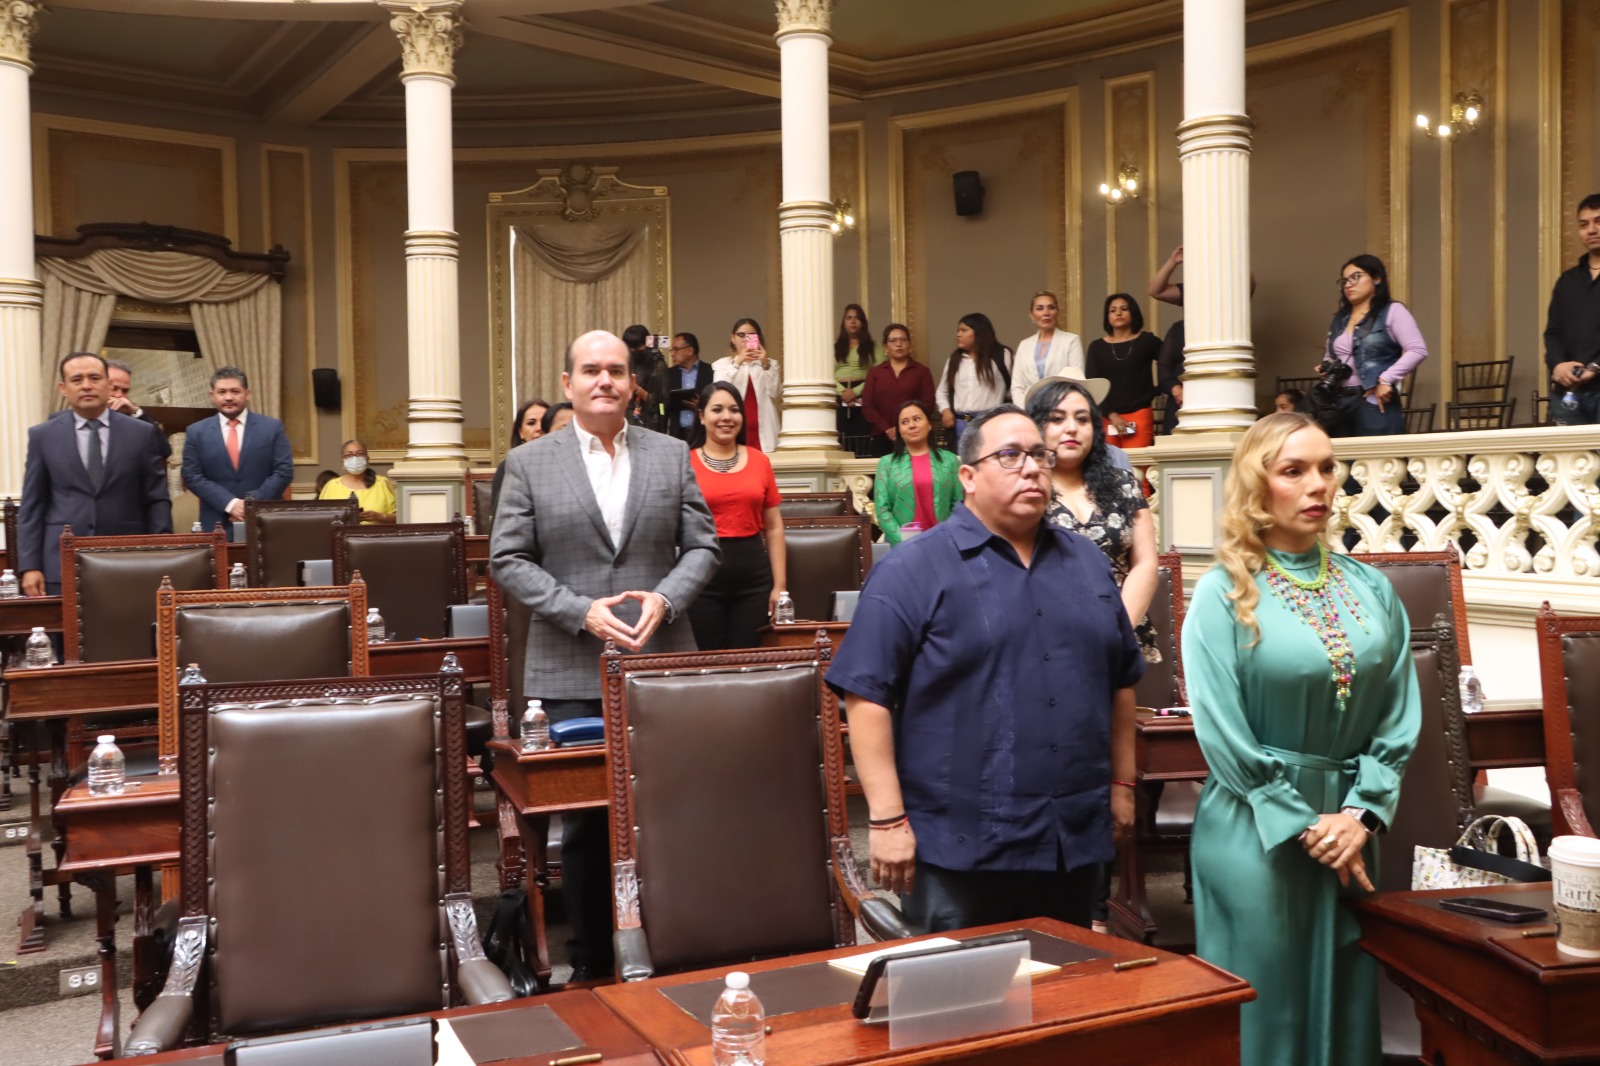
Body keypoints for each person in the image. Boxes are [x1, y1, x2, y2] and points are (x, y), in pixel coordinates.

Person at [827, 405, 1143, 932]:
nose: (1032, 467)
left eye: (1039, 455)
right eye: (1011, 455)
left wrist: (1122, 784)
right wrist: (886, 818)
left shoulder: (1087, 562)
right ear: (968, 477)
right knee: (960, 985)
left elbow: (1121, 679)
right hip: (961, 844)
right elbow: (866, 695)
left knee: (1071, 979)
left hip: (1071, 836)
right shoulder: (913, 568)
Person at [1183, 412, 1420, 1066]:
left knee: (1346, 1003)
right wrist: (1303, 822)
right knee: (1268, 1015)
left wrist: (1359, 815)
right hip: (1255, 830)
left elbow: (1399, 714)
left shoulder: (1370, 588)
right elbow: (1221, 729)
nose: (1318, 484)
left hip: (1352, 829)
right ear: (1257, 485)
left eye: (1326, 467)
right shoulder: (1222, 592)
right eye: (1294, 470)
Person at [491, 329, 719, 980]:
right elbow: (508, 558)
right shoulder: (530, 463)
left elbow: (703, 546)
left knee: (669, 808)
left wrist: (667, 600)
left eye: (616, 370)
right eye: (591, 370)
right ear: (568, 383)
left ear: (632, 384)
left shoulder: (672, 454)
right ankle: (592, 963)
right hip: (570, 663)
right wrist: (580, 611)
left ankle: (675, 949)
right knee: (589, 823)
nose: (604, 381)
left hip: (657, 657)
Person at [1027, 374, 1159, 931]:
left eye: (1082, 418)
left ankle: (1099, 909)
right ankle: (1050, 903)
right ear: (1035, 427)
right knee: (1062, 767)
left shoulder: (1120, 482)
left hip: (1115, 650)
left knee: (1109, 771)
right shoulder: (1026, 484)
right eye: (1057, 418)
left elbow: (1146, 562)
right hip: (1044, 652)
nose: (1071, 429)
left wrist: (1112, 630)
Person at [18, 352, 172, 596]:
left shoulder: (141, 433)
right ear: (63, 388)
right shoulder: (43, 436)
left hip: (128, 560)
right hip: (60, 564)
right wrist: (29, 566)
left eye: (94, 378)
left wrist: (162, 552)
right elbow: (32, 505)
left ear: (109, 384)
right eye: (77, 379)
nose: (86, 386)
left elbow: (157, 499)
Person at [686, 381, 786, 650]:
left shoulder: (760, 460)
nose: (726, 417)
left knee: (749, 661)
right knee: (708, 663)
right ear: (701, 416)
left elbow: (774, 527)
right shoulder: (684, 462)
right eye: (717, 409)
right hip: (700, 578)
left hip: (754, 579)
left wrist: (780, 586)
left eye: (734, 409)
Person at [180, 366, 293, 539]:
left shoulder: (272, 427)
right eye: (222, 392)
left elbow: (284, 471)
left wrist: (250, 505)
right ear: (212, 395)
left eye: (235, 391)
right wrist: (230, 504)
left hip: (265, 521)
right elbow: (191, 476)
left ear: (247, 394)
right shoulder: (196, 432)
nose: (228, 397)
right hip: (217, 523)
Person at [1321, 254, 1427, 437]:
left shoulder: (1392, 311)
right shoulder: (1340, 318)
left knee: (1378, 453)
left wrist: (1386, 379)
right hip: (1338, 402)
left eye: (1356, 277)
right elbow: (1330, 355)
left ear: (1377, 278)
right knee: (1340, 454)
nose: (1348, 285)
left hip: (1373, 399)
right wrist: (1326, 366)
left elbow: (1418, 350)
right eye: (1344, 281)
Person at [1543, 193, 1600, 425]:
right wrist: (1558, 365)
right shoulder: (1567, 281)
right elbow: (1553, 332)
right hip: (1568, 393)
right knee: (1569, 451)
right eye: (1584, 225)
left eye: (1598, 221)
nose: (1591, 230)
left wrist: (1595, 368)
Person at [872, 399, 961, 545]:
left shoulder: (950, 461)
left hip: (942, 543)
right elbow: (882, 510)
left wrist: (948, 537)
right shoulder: (887, 464)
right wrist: (903, 542)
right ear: (899, 431)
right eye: (905, 422)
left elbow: (959, 505)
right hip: (904, 547)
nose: (911, 425)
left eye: (917, 419)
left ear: (930, 424)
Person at [1085, 294, 1162, 449]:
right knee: (1110, 462)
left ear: (1133, 312)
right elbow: (1091, 386)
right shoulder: (1096, 347)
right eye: (1113, 310)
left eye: (1124, 309)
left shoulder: (1147, 341)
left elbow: (1170, 363)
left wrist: (1157, 390)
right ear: (1107, 316)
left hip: (1139, 413)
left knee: (1137, 463)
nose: (1118, 313)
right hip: (1107, 416)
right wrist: (1112, 415)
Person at [934, 312, 1012, 446]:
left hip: (990, 422)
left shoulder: (1002, 355)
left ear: (979, 332)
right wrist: (945, 410)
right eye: (958, 330)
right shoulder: (954, 359)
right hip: (960, 424)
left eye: (964, 330)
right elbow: (942, 391)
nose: (958, 334)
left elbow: (1013, 388)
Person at [861, 323, 936, 456]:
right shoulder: (875, 373)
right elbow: (867, 405)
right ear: (885, 347)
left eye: (903, 340)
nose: (899, 344)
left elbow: (928, 403)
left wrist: (904, 426)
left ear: (909, 344)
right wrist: (887, 429)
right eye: (893, 341)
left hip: (914, 435)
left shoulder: (922, 371)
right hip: (881, 437)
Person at [711, 318, 781, 452]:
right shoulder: (723, 365)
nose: (745, 340)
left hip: (764, 430)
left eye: (751, 335)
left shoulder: (770, 364)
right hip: (735, 428)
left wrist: (765, 364)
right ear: (733, 338)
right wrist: (738, 362)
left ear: (758, 338)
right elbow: (719, 391)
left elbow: (775, 392)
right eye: (741, 335)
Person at [1009, 290, 1085, 407]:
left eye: (1051, 307)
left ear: (1057, 312)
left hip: (1061, 407)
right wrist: (1024, 411)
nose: (1046, 313)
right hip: (1029, 408)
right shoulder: (1024, 345)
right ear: (1031, 314)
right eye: (1040, 308)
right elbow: (1017, 386)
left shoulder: (1071, 341)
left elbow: (1076, 381)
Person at [489, 398, 552, 515]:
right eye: (531, 423)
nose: (539, 428)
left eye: (544, 422)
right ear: (520, 432)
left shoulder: (564, 464)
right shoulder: (508, 467)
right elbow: (501, 514)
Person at [103, 359, 172, 460]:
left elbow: (163, 450)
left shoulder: (131, 419)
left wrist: (136, 412)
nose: (119, 395)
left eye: (125, 391)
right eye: (114, 388)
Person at [833, 304, 877, 455]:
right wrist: (843, 392)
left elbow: (877, 374)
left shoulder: (873, 347)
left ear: (863, 322)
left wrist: (856, 392)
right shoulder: (835, 347)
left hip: (864, 394)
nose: (853, 321)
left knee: (862, 439)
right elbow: (828, 374)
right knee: (841, 438)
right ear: (843, 322)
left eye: (857, 318)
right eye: (849, 318)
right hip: (839, 395)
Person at [317, 439, 396, 524]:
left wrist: (381, 517)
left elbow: (400, 516)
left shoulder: (382, 483)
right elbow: (320, 517)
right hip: (341, 532)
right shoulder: (332, 486)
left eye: (360, 454)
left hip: (377, 532)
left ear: (367, 459)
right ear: (342, 461)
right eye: (349, 455)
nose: (355, 458)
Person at [665, 333, 713, 440]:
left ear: (690, 350)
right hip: (677, 434)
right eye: (672, 350)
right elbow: (663, 405)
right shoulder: (668, 374)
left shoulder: (710, 371)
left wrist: (701, 405)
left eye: (676, 349)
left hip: (703, 433)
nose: (672, 354)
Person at [623, 324, 668, 433]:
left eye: (637, 347)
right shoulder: (624, 363)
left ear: (646, 344)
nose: (633, 351)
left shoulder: (657, 365)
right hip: (624, 420)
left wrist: (637, 389)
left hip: (648, 423)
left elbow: (661, 402)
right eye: (630, 348)